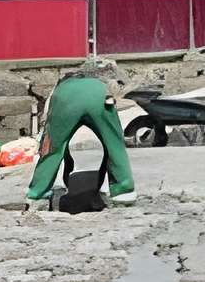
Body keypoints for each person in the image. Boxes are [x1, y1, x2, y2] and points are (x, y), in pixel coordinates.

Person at [26, 71, 135, 208]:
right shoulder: (96, 82)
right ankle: (124, 191)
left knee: (52, 148)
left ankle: (37, 193)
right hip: (101, 95)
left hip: (66, 99)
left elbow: (52, 140)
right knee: (114, 144)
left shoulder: (60, 89)